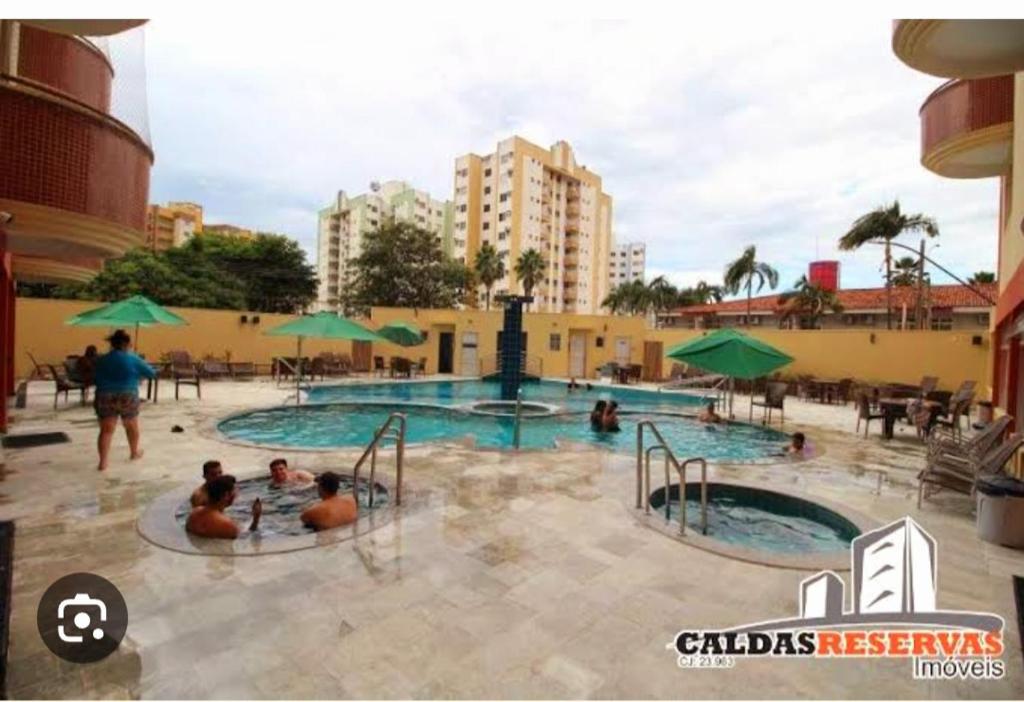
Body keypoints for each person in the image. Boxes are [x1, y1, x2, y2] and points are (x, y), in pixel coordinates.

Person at [93, 330, 157, 471]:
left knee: (106, 430)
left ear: (112, 343)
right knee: (131, 426)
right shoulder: (133, 358)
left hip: (105, 394)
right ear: (127, 344)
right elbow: (152, 373)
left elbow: (95, 377)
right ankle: (134, 453)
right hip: (128, 394)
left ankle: (103, 463)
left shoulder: (102, 359)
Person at [186, 475, 261, 539]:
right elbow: (246, 536)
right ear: (226, 495)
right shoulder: (227, 524)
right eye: (234, 490)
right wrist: (256, 518)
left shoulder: (194, 513)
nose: (236, 494)